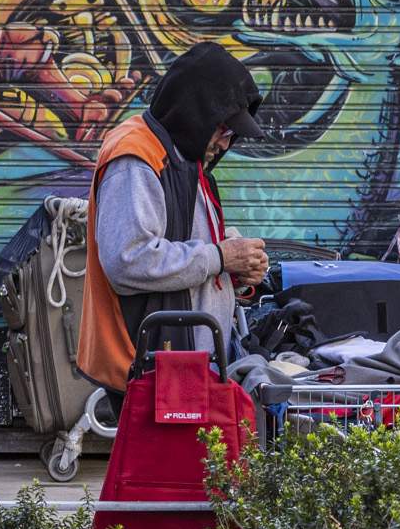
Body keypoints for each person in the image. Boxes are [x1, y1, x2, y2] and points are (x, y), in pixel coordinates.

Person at [75, 43, 270, 390]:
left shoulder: (184, 154)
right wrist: (221, 256)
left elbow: (195, 248)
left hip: (183, 363)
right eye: (223, 129)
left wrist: (236, 270)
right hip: (149, 367)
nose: (226, 144)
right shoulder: (136, 158)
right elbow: (128, 260)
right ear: (197, 112)